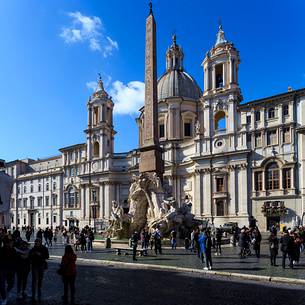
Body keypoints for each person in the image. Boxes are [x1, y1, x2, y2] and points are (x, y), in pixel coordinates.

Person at [0, 236, 17, 305]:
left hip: (11, 269)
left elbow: (16, 260)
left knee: (11, 284)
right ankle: (4, 298)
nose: (12, 244)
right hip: (2, 269)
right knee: (1, 285)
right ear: (7, 243)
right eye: (10, 243)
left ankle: (6, 292)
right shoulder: (1, 250)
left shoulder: (13, 250)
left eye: (12, 243)